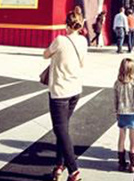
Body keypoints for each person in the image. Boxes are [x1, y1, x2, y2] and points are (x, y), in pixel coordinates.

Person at [44, 10, 88, 181]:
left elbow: (45, 54)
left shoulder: (60, 40)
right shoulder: (83, 41)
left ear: (66, 24)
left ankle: (73, 169)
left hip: (59, 91)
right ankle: (58, 165)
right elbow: (82, 63)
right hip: (75, 89)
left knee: (60, 129)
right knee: (63, 129)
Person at [114, 57, 134, 172]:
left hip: (121, 112)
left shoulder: (117, 83)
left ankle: (121, 163)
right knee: (133, 138)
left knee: (121, 136)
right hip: (132, 112)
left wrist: (116, 111)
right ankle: (133, 163)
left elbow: (115, 99)